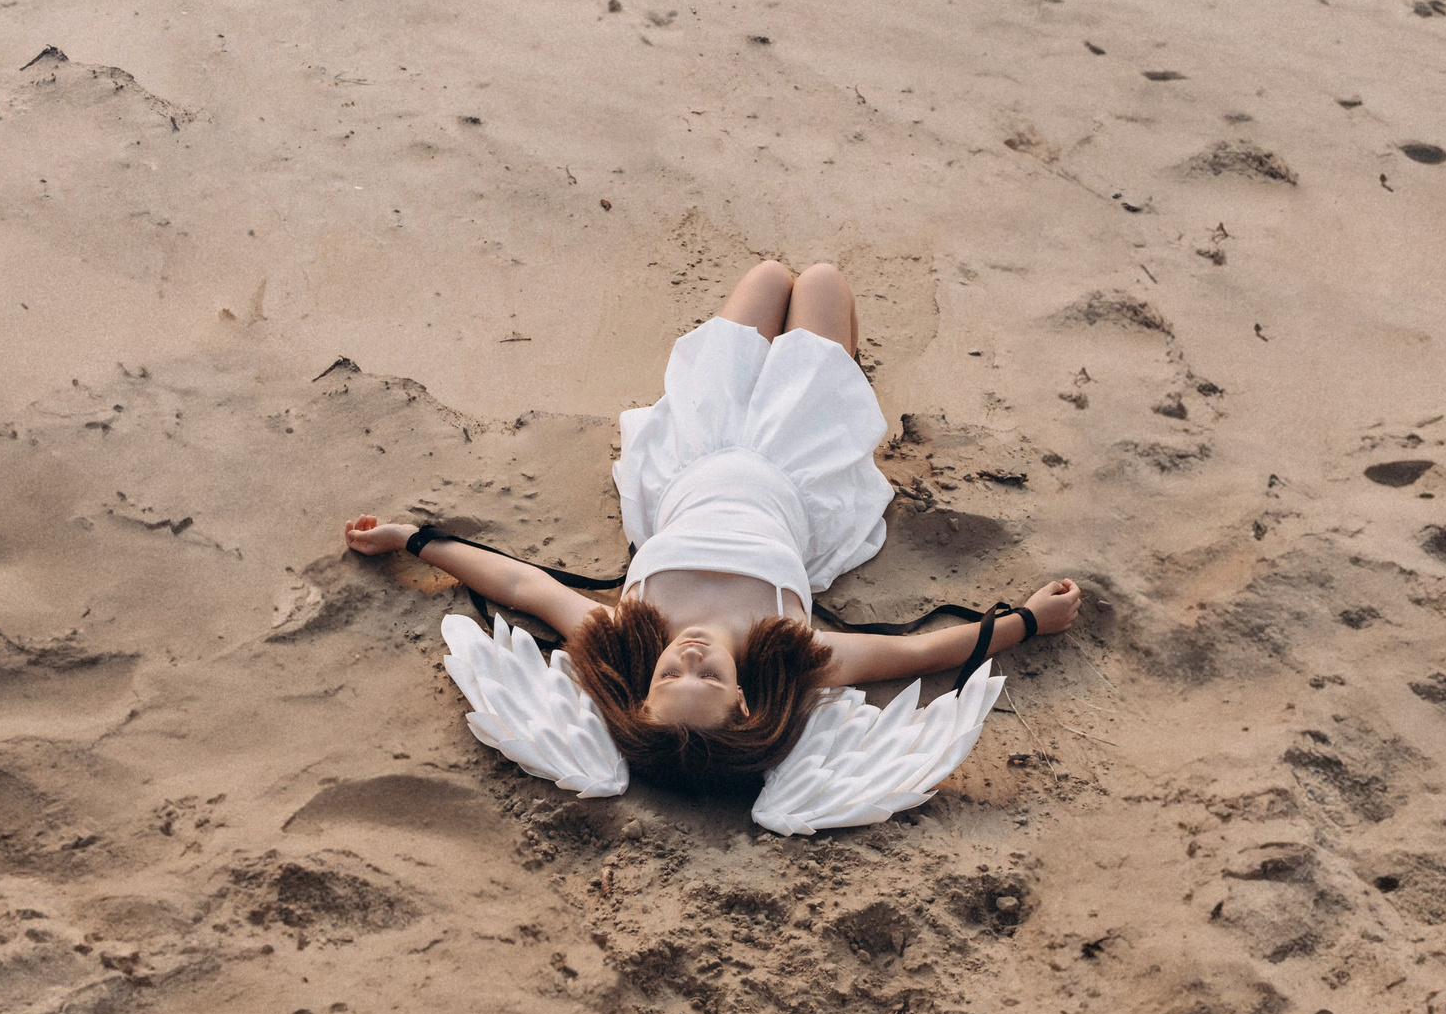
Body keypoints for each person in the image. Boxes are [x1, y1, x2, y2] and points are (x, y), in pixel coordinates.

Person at [346, 259, 1079, 793]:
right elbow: (922, 653)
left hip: (695, 454)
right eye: (708, 675)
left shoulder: (623, 630)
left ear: (643, 689)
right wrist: (1027, 622)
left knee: (766, 277)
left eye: (672, 674)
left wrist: (415, 539)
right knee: (821, 282)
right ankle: (831, 373)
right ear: (747, 699)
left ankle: (805, 363)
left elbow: (517, 583)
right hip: (796, 470)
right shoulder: (799, 654)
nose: (689, 655)